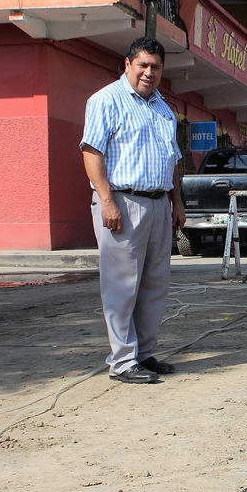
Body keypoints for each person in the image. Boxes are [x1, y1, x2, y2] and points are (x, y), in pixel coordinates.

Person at [80, 36, 185, 384]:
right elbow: (91, 152)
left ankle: (144, 353)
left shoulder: (163, 108)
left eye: (155, 67)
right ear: (127, 64)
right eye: (142, 65)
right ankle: (122, 361)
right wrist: (106, 200)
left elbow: (174, 160)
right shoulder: (105, 101)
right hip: (122, 203)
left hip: (158, 204)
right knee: (122, 286)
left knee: (154, 284)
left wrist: (177, 202)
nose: (148, 72)